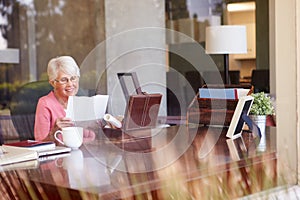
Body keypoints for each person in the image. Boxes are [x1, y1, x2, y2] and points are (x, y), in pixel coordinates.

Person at [34, 56, 95, 142]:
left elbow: (91, 136)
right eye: (64, 80)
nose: (70, 84)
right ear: (53, 83)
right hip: (59, 154)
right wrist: (54, 131)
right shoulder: (45, 104)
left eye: (73, 78)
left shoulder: (81, 103)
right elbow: (40, 142)